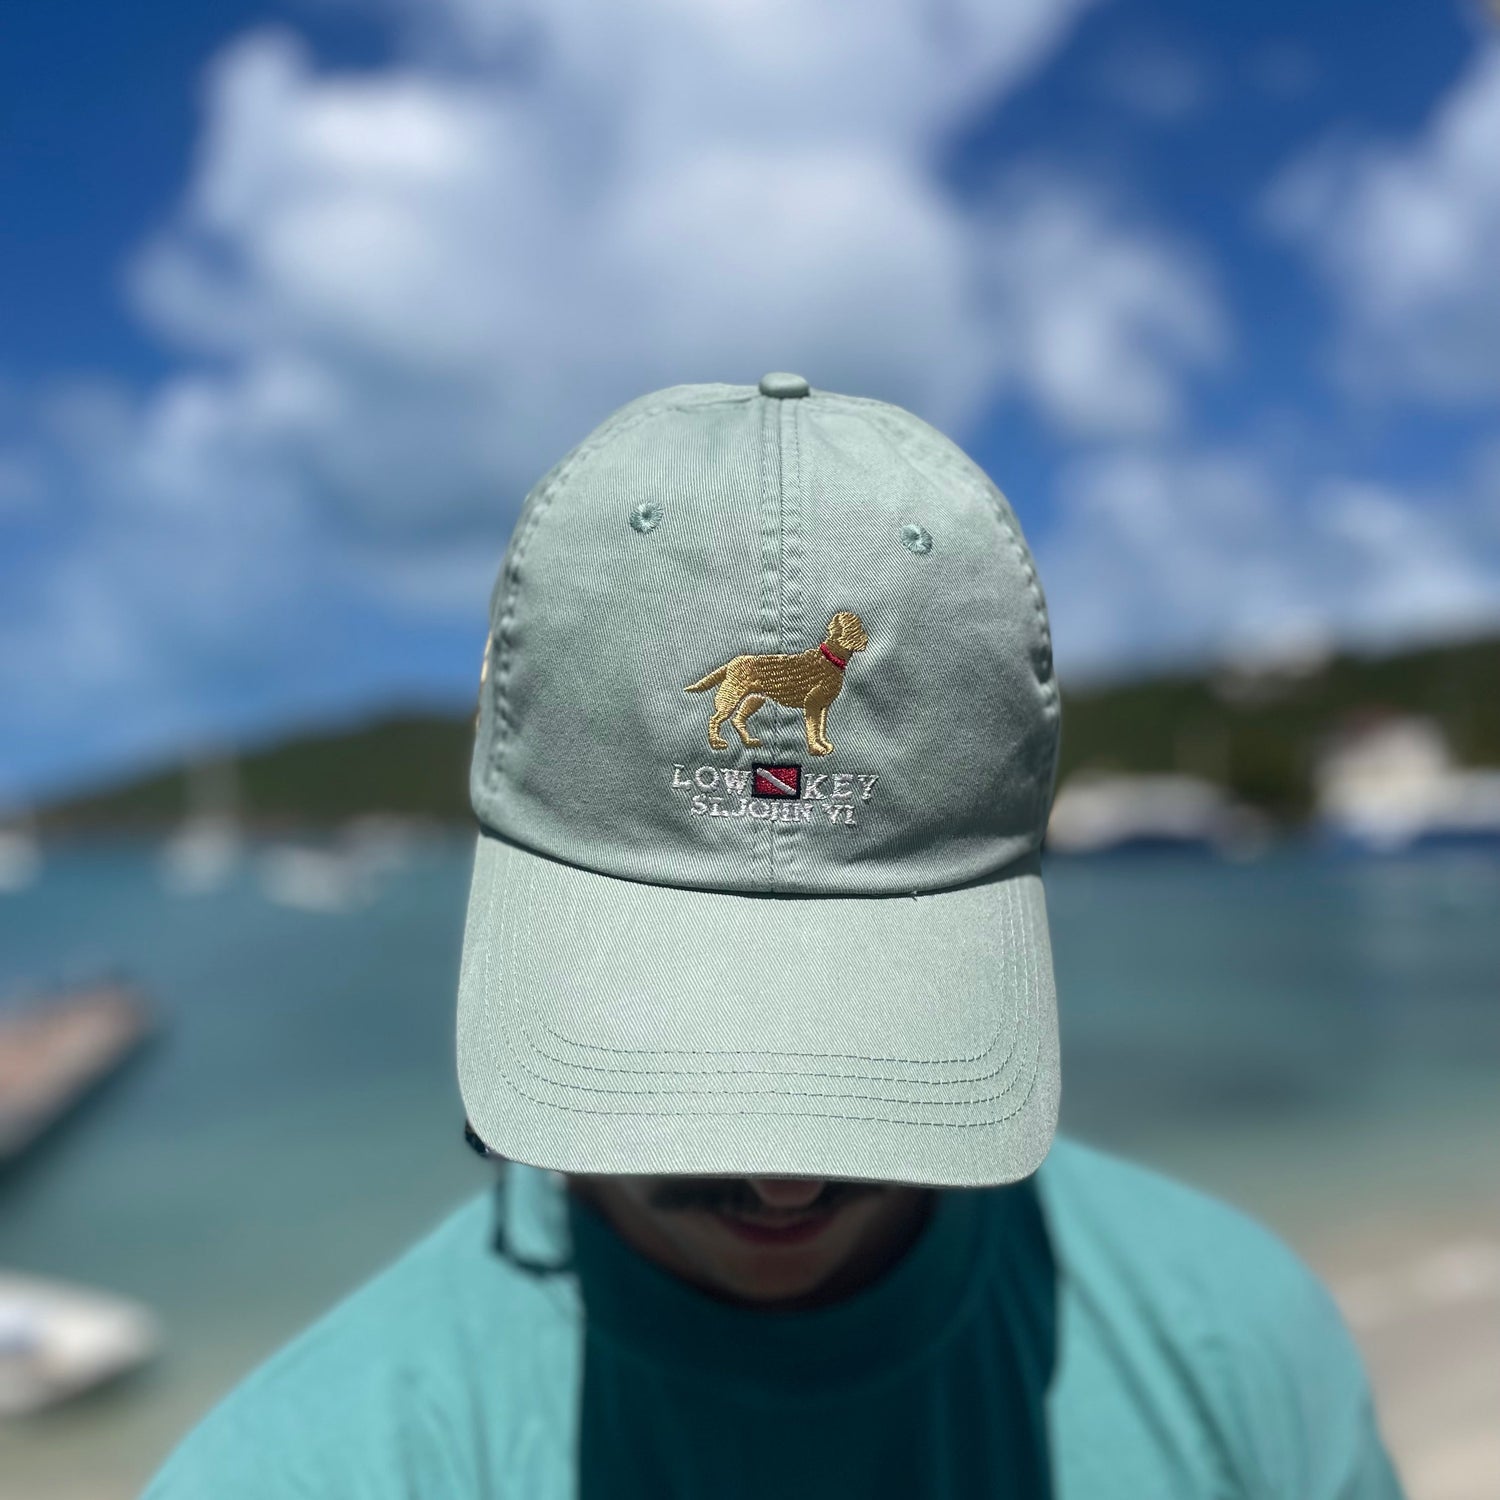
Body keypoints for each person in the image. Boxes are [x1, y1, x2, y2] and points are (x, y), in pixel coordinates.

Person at [143, 374, 1405, 1498]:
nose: (788, 1184)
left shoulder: (1251, 1353)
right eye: (666, 1049)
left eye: (879, 1051)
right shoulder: (293, 1472)